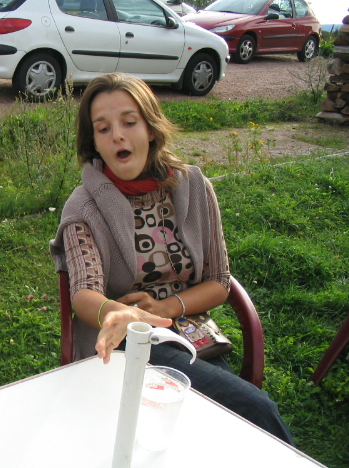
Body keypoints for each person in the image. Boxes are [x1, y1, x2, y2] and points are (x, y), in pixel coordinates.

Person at [50, 72, 295, 445]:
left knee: (223, 428)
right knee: (252, 409)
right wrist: (121, 315)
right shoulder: (83, 207)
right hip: (122, 345)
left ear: (150, 129)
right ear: (94, 142)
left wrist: (164, 309)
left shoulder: (193, 187)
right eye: (103, 128)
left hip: (189, 333)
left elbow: (218, 281)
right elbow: (84, 292)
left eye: (129, 122)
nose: (117, 136)